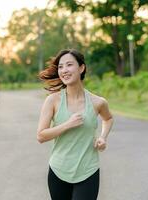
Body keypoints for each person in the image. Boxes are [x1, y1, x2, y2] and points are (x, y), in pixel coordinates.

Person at [37, 49, 114, 200]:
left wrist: (103, 137)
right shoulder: (53, 101)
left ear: (81, 68)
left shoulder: (98, 102)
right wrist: (67, 124)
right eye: (60, 67)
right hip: (58, 170)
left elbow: (108, 119)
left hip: (88, 170)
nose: (64, 70)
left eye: (69, 65)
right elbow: (41, 136)